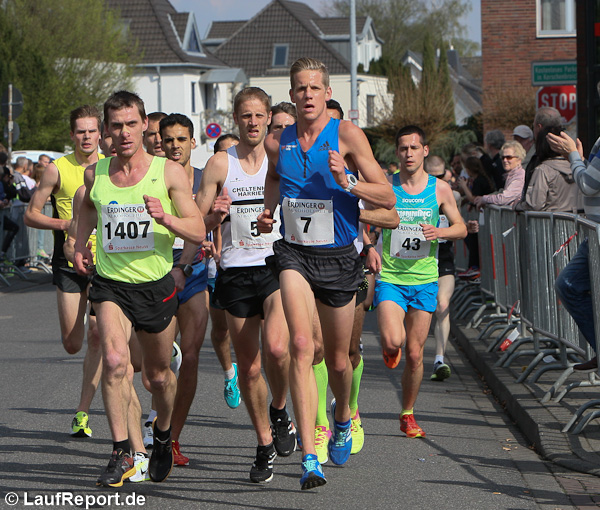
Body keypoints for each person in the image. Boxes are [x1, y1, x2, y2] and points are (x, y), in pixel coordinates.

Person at [259, 57, 396, 489]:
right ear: (292, 93)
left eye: (315, 88)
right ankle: (309, 458)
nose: (307, 96)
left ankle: (342, 416)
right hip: (295, 254)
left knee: (339, 361)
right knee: (301, 345)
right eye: (300, 88)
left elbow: (388, 197)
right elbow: (276, 183)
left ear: (327, 92)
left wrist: (348, 181)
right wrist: (267, 212)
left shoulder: (347, 135)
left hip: (338, 257)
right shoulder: (278, 140)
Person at [73, 90, 205, 487]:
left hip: (156, 285)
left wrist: (165, 218)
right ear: (107, 132)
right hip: (111, 285)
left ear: (144, 124)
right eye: (117, 126)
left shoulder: (167, 172)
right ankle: (121, 452)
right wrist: (79, 244)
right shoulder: (96, 173)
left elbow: (198, 229)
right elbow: (86, 208)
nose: (125, 132)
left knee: (158, 377)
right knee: (114, 361)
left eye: (132, 124)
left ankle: (163, 433)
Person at [196, 87, 295, 484]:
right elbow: (197, 221)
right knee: (250, 369)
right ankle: (263, 443)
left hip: (275, 265)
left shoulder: (282, 159)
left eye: (259, 115)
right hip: (235, 270)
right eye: (245, 116)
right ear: (236, 119)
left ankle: (281, 407)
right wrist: (211, 215)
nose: (253, 122)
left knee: (277, 347)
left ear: (269, 117)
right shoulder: (220, 164)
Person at [375, 125, 466, 440]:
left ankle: (407, 413)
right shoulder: (387, 187)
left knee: (415, 354)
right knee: (392, 342)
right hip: (391, 277)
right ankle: (391, 347)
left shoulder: (439, 189)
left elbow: (462, 228)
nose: (408, 153)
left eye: (414, 148)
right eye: (403, 148)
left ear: (425, 150)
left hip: (426, 279)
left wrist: (439, 232)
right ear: (397, 153)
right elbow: (368, 218)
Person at [24, 105, 103, 438]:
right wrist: (66, 223)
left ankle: (82, 412)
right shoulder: (57, 169)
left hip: (105, 263)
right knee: (73, 344)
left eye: (91, 131)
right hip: (67, 261)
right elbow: (30, 214)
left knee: (98, 336)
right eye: (80, 131)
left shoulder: (111, 168)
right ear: (72, 135)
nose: (86, 137)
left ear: (101, 133)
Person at [156, 113, 211, 466]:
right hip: (159, 268)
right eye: (169, 140)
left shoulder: (207, 178)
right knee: (159, 363)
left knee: (190, 355)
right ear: (160, 143)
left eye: (181, 139)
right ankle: (157, 425)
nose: (175, 146)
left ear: (193, 142)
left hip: (195, 272)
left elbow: (216, 218)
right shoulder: (153, 175)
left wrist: (216, 222)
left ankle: (172, 438)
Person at [547, 130, 600, 371]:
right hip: (594, 234)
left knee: (568, 284)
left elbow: (588, 185)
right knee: (568, 285)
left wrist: (572, 156)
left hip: (597, 235)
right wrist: (580, 159)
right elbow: (593, 179)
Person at [207, 133, 241, 412]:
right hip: (216, 267)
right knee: (220, 332)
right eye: (224, 153)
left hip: (250, 265)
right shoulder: (212, 182)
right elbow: (206, 222)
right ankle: (230, 373)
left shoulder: (253, 179)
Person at [424, 155, 461, 381]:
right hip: (418, 260)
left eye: (441, 175)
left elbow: (460, 226)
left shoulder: (450, 193)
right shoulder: (416, 195)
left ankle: (439, 359)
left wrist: (468, 227)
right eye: (434, 176)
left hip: (444, 258)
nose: (439, 180)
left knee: (443, 305)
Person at [517, 125, 580, 212]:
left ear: (541, 145)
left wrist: (517, 206)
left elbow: (535, 204)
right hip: (579, 222)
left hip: (551, 223)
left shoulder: (543, 170)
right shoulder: (578, 167)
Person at [474, 141, 526, 209]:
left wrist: (484, 199)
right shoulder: (510, 175)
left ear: (519, 160)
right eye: (502, 157)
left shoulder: (519, 176)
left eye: (509, 157)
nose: (505, 160)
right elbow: (502, 194)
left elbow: (504, 199)